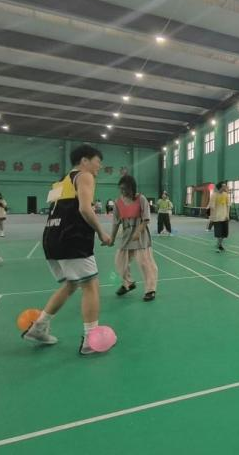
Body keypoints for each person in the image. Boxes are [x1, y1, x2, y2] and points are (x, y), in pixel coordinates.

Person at [23, 145, 112, 355]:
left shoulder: (61, 182)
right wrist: (101, 232)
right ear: (84, 161)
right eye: (97, 161)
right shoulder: (84, 176)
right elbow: (84, 208)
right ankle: (91, 340)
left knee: (72, 284)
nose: (99, 166)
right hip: (73, 238)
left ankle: (39, 327)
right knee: (91, 285)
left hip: (51, 238)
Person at [111, 175, 158, 301]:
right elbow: (115, 223)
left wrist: (138, 231)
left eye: (125, 189)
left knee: (145, 263)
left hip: (140, 236)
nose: (123, 191)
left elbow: (146, 219)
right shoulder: (118, 202)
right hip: (126, 236)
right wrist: (112, 238)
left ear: (132, 188)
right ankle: (128, 283)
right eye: (121, 189)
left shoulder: (141, 199)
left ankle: (150, 290)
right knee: (120, 262)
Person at [209, 181, 230, 252]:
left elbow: (228, 205)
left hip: (225, 217)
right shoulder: (214, 195)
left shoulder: (226, 195)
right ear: (220, 187)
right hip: (217, 218)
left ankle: (219, 245)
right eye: (224, 186)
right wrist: (212, 217)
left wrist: (227, 215)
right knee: (219, 234)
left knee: (224, 234)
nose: (225, 187)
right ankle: (218, 246)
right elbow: (212, 207)